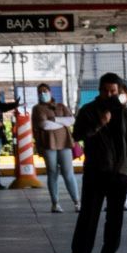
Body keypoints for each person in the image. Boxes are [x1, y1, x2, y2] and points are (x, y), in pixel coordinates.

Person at [67, 74, 127, 253]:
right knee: (89, 215)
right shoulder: (88, 111)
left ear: (119, 91)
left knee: (115, 217)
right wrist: (99, 124)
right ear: (99, 91)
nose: (109, 95)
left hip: (120, 173)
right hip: (96, 171)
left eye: (113, 91)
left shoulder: (126, 113)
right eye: (106, 91)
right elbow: (78, 134)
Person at [32, 84, 79, 213]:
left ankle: (77, 202)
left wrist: (55, 119)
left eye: (45, 91)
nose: (43, 93)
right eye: (40, 92)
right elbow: (44, 125)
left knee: (69, 173)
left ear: (50, 92)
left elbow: (71, 120)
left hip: (64, 144)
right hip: (48, 145)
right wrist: (61, 122)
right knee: (52, 173)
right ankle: (55, 203)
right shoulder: (37, 109)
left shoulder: (61, 106)